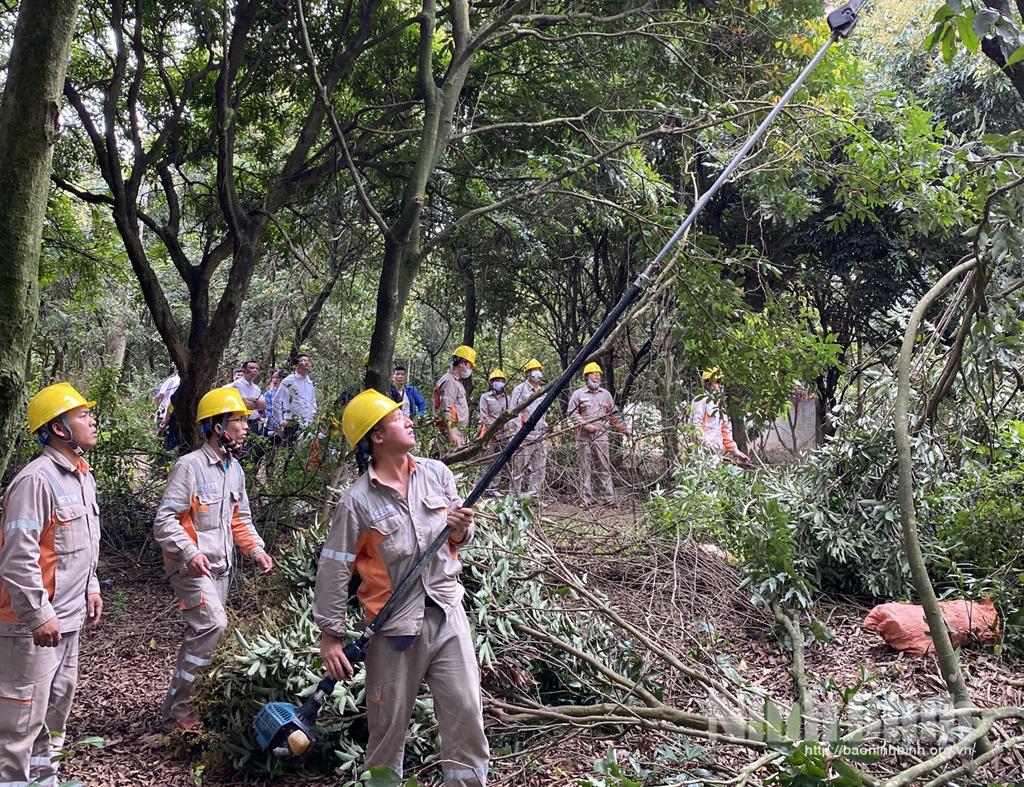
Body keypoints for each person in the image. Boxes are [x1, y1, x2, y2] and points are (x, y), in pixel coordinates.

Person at [314, 389, 488, 785]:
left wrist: (462, 529)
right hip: (392, 630)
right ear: (376, 436)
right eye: (397, 417)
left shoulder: (437, 473)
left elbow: (460, 537)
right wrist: (331, 636)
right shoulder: (356, 502)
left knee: (466, 715)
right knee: (388, 731)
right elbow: (335, 568)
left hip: (447, 614)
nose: (408, 420)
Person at [152, 387, 273, 731]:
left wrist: (257, 550)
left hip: (221, 568)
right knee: (213, 626)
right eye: (238, 420)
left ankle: (179, 705)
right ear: (218, 426)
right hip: (190, 567)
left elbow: (240, 519)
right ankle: (180, 712)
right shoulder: (189, 467)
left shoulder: (234, 470)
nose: (246, 426)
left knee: (207, 634)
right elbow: (165, 520)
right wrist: (189, 553)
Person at [0, 383, 103, 787]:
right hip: (28, 627)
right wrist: (39, 614)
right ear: (59, 429)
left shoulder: (81, 477)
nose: (91, 420)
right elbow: (17, 556)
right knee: (18, 725)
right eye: (82, 415)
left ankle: (44, 781)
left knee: (53, 715)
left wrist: (92, 586)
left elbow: (83, 546)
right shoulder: (35, 481)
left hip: (69, 621)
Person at [566, 362, 629, 506]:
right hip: (583, 436)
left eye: (598, 375)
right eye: (593, 374)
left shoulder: (606, 395)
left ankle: (608, 499)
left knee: (604, 467)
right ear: (586, 377)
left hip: (601, 436)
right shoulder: (578, 394)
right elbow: (572, 413)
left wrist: (624, 430)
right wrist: (585, 425)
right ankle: (586, 499)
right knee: (585, 468)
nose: (596, 376)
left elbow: (613, 415)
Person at [509, 358, 548, 502]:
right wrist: (520, 432)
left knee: (539, 469)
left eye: (539, 370)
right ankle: (514, 499)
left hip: (540, 436)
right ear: (528, 373)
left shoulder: (543, 391)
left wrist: (544, 429)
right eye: (534, 370)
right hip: (524, 437)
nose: (537, 373)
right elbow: (513, 413)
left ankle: (533, 498)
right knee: (519, 470)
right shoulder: (519, 390)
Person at [690, 367, 749, 464]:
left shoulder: (720, 404)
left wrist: (736, 452)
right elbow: (696, 428)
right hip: (702, 454)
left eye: (721, 382)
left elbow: (725, 431)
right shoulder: (701, 400)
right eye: (717, 382)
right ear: (707, 383)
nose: (720, 386)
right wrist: (708, 447)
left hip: (716, 455)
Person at [478, 368, 514, 496]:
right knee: (486, 461)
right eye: (497, 380)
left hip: (504, 434)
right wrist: (494, 430)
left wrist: (506, 430)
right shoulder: (485, 397)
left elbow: (510, 415)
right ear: (491, 382)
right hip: (489, 434)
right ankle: (479, 488)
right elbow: (484, 416)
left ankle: (493, 488)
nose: (500, 383)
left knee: (499, 461)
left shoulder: (507, 398)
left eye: (502, 380)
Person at [433, 345, 475, 448]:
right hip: (451, 432)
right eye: (470, 366)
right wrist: (452, 433)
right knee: (452, 463)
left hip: (458, 432)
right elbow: (445, 409)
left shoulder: (456, 381)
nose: (471, 369)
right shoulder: (449, 381)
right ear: (462, 363)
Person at [272, 353, 318, 445]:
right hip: (292, 422)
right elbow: (276, 401)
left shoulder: (309, 382)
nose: (306, 363)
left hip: (308, 422)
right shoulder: (289, 380)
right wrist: (280, 421)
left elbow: (312, 401)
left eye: (307, 361)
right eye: (302, 361)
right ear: (296, 365)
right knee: (292, 451)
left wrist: (314, 414)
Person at [230, 359, 266, 430]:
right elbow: (245, 405)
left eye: (256, 368)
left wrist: (249, 400)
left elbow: (263, 405)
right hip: (241, 421)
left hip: (254, 421)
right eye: (251, 368)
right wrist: (255, 401)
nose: (255, 370)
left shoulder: (256, 388)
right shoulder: (237, 384)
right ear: (243, 370)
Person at [262, 369, 285, 438]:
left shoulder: (287, 394)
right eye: (273, 378)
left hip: (285, 425)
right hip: (270, 426)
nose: (274, 380)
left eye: (277, 378)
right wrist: (278, 426)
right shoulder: (268, 394)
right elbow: (268, 412)